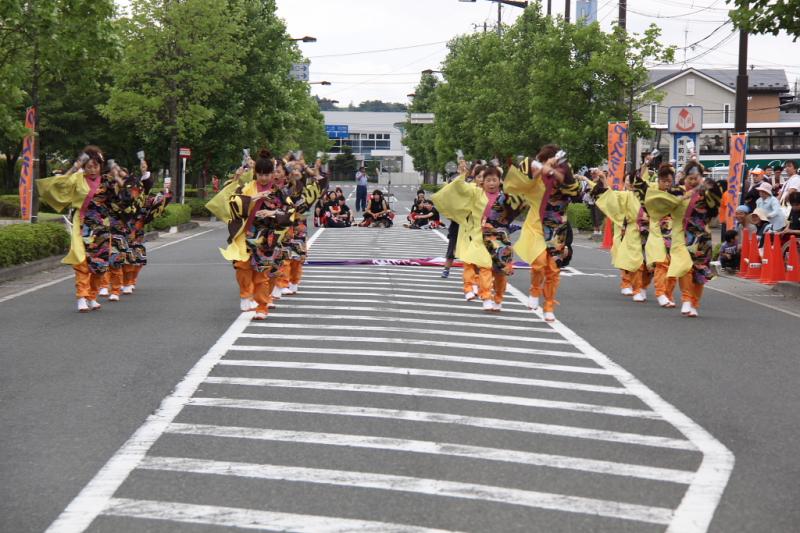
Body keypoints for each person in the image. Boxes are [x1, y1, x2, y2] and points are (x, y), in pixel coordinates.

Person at [36, 146, 117, 312]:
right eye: (89, 166)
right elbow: (58, 184)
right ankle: (81, 296)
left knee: (99, 264)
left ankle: (92, 297)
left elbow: (119, 200)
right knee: (82, 262)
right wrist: (75, 167)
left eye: (95, 166)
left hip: (102, 227)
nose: (92, 169)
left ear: (101, 166)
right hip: (82, 225)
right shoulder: (77, 178)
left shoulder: (107, 182)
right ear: (84, 167)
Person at [504, 145, 579, 322]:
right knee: (538, 262)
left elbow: (574, 190)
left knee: (553, 269)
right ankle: (534, 290)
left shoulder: (563, 173)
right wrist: (542, 168)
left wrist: (555, 171)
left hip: (556, 226)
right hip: (534, 224)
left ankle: (549, 305)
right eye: (544, 161)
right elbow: (523, 176)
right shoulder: (535, 170)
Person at [433, 163, 522, 311]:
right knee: (484, 266)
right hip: (478, 236)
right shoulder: (476, 193)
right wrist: (463, 174)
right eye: (488, 180)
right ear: (482, 182)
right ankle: (485, 296)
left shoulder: (506, 198)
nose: (491, 183)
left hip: (500, 239)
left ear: (500, 181)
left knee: (500, 272)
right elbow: (459, 187)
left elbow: (520, 204)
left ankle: (498, 298)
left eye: (494, 180)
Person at [645, 160, 723, 317]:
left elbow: (716, 204)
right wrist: (684, 196)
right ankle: (686, 299)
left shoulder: (706, 194)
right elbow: (659, 203)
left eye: (697, 178)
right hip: (681, 236)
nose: (693, 181)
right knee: (685, 266)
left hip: (702, 238)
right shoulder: (676, 191)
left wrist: (707, 186)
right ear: (685, 178)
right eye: (690, 178)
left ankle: (694, 303)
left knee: (699, 273)